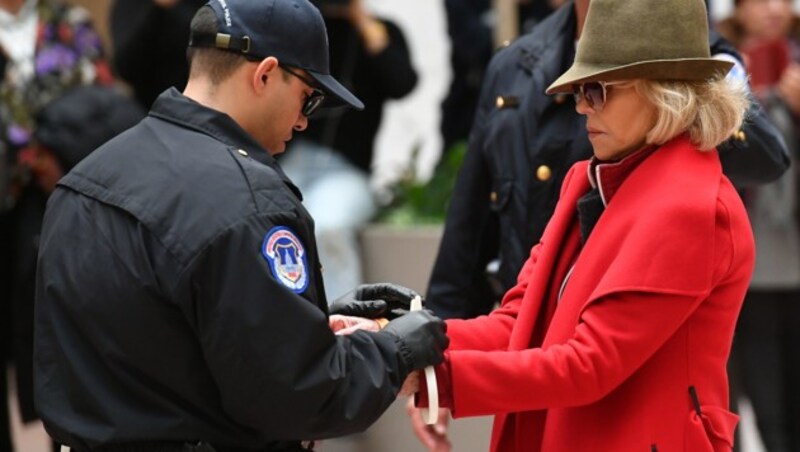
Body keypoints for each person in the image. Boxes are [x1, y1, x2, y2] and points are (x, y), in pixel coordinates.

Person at [33, 0, 448, 450]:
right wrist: (398, 348)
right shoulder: (250, 201)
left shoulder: (84, 180)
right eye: (309, 95)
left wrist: (305, 320)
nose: (306, 118)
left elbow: (156, 339)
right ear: (265, 74)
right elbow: (301, 398)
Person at [408, 0, 753, 450]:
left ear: (662, 90)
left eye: (597, 90)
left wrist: (427, 373)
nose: (581, 108)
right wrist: (398, 339)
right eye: (578, 92)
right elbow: (520, 322)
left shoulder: (692, 207)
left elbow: (589, 363)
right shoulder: (592, 180)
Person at [425, 0, 789, 320]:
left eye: (597, 93)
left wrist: (687, 76)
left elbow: (768, 157)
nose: (584, 106)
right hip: (521, 328)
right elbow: (469, 235)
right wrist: (433, 350)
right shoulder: (513, 64)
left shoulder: (698, 55)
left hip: (624, 338)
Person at [0, 0, 114, 449]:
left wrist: (52, 151)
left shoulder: (70, 22)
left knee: (64, 330)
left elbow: (100, 99)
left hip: (65, 191)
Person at [277, 0, 418, 300]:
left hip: (347, 171)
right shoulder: (301, 32)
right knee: (268, 219)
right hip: (287, 161)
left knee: (327, 224)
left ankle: (342, 326)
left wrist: (362, 21)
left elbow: (402, 83)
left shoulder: (379, 31)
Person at [717, 1, 800, 450]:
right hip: (747, 272)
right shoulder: (721, 70)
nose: (775, 9)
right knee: (762, 408)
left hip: (795, 266)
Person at [110, 0, 207, 109]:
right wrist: (158, 10)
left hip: (208, 103)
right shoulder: (131, 5)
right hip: (155, 108)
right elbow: (125, 68)